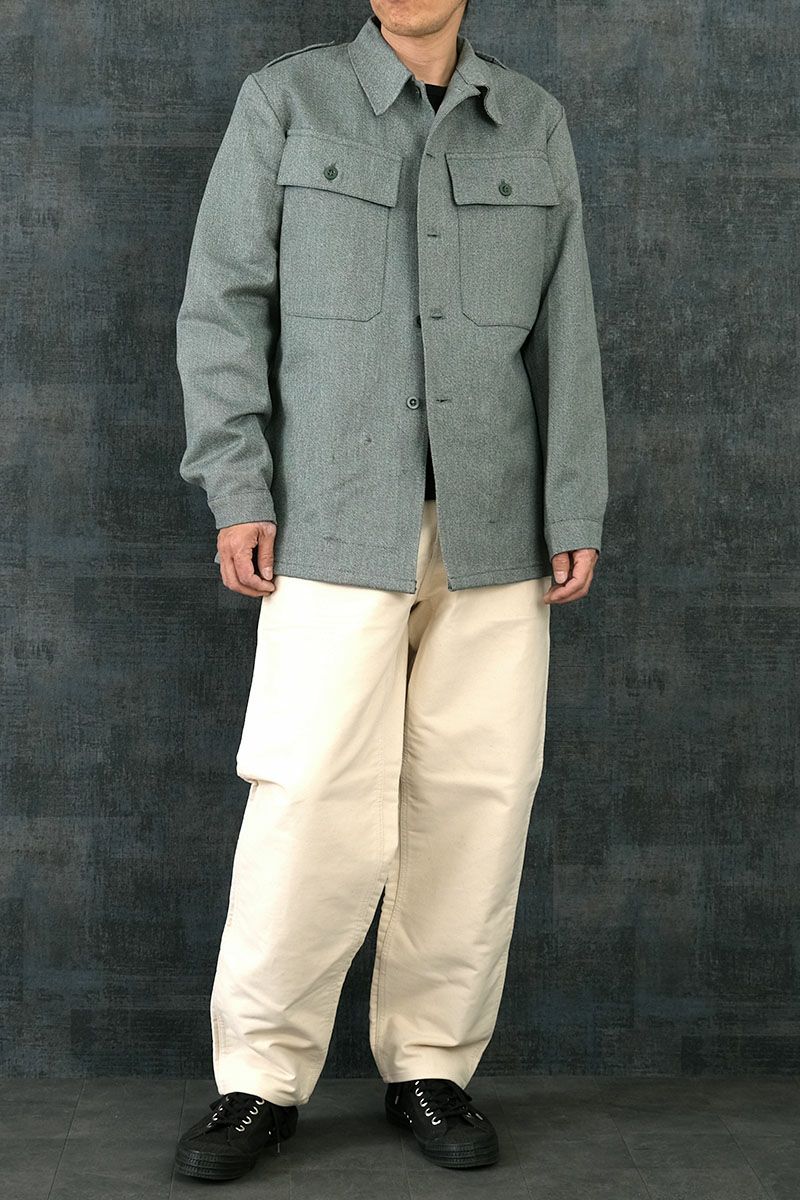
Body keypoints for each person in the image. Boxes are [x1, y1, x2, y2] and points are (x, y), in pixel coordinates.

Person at [173, 0, 608, 1181]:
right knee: (308, 795)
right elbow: (222, 303)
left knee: (477, 796)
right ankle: (258, 1082)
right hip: (329, 519)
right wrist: (236, 484)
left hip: (493, 529)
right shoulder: (286, 101)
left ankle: (430, 1065)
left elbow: (564, 328)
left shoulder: (531, 121)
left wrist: (571, 504)